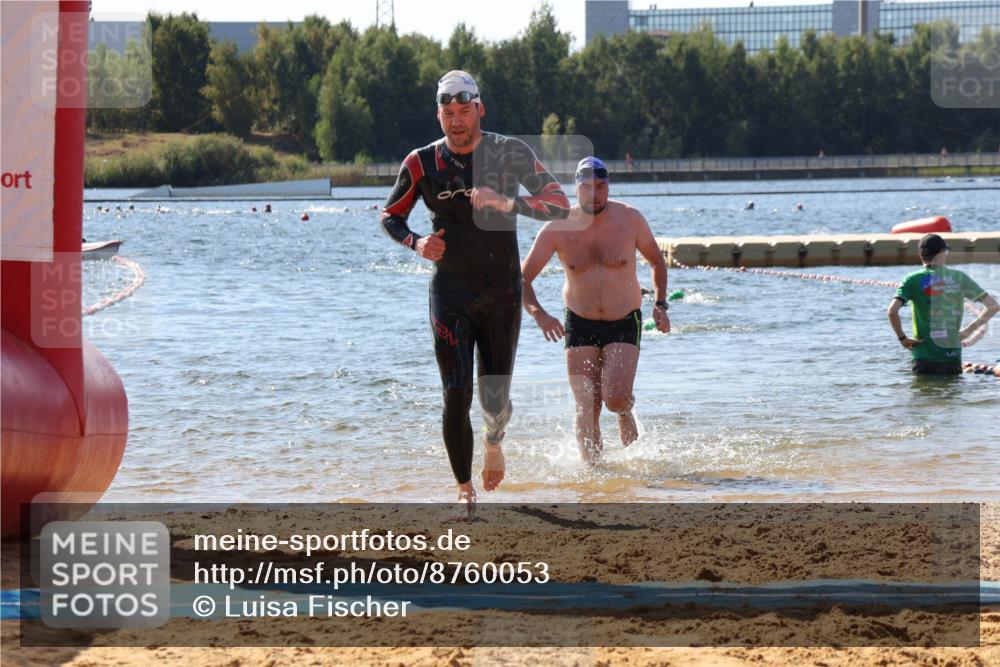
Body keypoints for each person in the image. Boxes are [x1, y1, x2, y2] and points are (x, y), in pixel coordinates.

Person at [380, 70, 570, 507]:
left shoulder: (509, 153)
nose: (457, 121)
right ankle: (463, 488)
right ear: (439, 115)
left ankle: (494, 438)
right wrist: (416, 242)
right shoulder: (421, 162)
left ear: (480, 109)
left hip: (502, 291)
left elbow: (559, 204)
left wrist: (509, 203)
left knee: (494, 398)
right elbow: (391, 215)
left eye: (465, 111)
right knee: (455, 392)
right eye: (448, 113)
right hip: (451, 290)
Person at [520, 157, 670, 463]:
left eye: (601, 186)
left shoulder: (630, 219)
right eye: (587, 187)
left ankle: (626, 408)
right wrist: (539, 314)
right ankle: (595, 476)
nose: (595, 193)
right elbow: (521, 278)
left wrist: (660, 303)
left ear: (608, 186)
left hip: (624, 320)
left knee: (614, 400)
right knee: (586, 406)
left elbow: (657, 260)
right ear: (576, 188)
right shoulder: (557, 227)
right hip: (579, 321)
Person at [887, 233, 998, 375]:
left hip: (924, 355)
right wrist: (967, 332)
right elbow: (993, 306)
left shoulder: (912, 279)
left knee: (926, 394)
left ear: (921, 255)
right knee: (951, 394)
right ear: (940, 253)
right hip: (952, 355)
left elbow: (892, 311)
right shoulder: (959, 277)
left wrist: (903, 338)